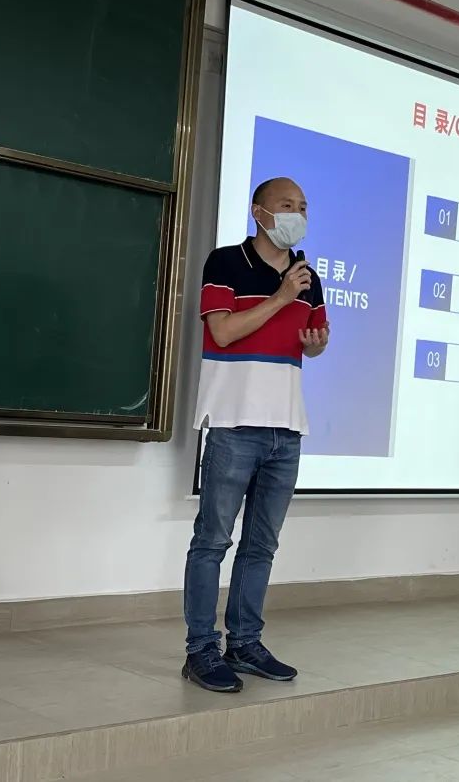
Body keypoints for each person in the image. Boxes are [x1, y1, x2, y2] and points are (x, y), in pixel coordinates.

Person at [182, 177, 329, 693]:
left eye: (303, 207)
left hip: (286, 427)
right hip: (233, 422)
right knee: (212, 541)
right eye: (287, 205)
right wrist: (281, 296)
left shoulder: (308, 275)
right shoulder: (225, 262)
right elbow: (222, 332)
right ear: (259, 211)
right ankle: (201, 650)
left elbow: (315, 340)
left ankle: (244, 643)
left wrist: (315, 343)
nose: (297, 214)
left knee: (261, 546)